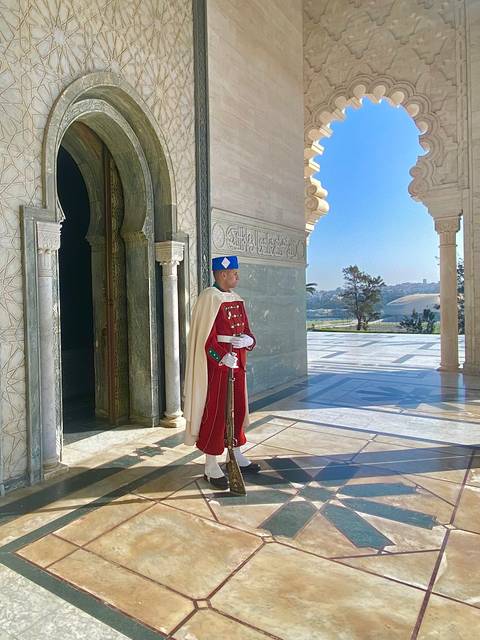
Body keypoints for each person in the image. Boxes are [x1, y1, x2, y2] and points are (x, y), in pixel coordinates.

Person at [183, 255, 260, 489]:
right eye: (234, 272)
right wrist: (221, 357)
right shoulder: (209, 298)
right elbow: (204, 339)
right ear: (222, 274)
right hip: (217, 370)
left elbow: (247, 331)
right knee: (217, 413)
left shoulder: (237, 299)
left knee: (236, 410)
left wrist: (248, 340)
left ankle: (235, 452)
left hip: (238, 365)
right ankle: (210, 464)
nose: (237, 276)